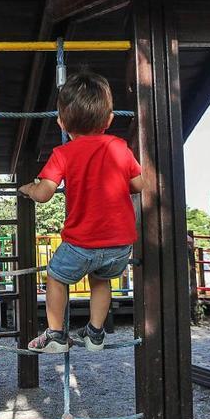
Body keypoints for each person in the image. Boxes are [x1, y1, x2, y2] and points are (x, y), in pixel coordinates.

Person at [19, 72, 143, 353]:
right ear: (109, 119)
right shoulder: (119, 147)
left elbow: (45, 193)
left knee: (56, 276)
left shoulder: (64, 153)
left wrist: (28, 188)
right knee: (101, 280)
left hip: (82, 244)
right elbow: (139, 184)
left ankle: (56, 334)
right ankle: (96, 333)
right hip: (121, 245)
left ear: (61, 122)